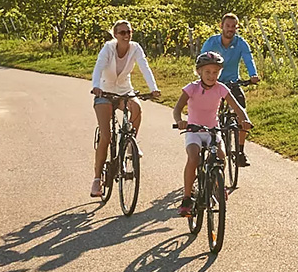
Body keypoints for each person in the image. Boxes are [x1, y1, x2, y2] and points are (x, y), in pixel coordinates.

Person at [173, 51, 252, 217]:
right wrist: (180, 120)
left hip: (212, 130)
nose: (211, 75)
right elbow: (178, 108)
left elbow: (238, 108)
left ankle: (218, 183)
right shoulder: (192, 88)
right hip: (194, 131)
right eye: (207, 72)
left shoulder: (220, 89)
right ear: (199, 72)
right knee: (193, 157)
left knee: (221, 155)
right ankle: (187, 198)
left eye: (215, 72)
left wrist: (244, 120)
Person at [90, 20, 161, 198]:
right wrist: (96, 86)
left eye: (129, 32)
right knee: (106, 137)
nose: (126, 35)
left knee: (136, 108)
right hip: (105, 91)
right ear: (115, 35)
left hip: (123, 90)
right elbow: (99, 67)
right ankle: (97, 180)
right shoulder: (108, 48)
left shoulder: (135, 48)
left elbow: (145, 67)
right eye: (122, 32)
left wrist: (153, 88)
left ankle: (130, 144)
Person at [200, 13, 259, 166]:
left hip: (233, 84)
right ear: (221, 26)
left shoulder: (241, 43)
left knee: (242, 114)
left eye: (233, 26)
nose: (230, 29)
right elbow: (201, 59)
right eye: (228, 26)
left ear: (236, 28)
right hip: (214, 84)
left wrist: (253, 75)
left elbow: (248, 59)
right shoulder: (212, 42)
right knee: (209, 114)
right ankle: (207, 146)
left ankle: (240, 151)